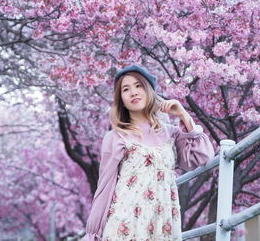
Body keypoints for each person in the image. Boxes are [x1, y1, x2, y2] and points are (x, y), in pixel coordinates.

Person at [83, 65, 215, 241]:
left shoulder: (171, 133)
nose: (133, 92)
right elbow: (105, 186)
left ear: (149, 91)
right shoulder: (116, 137)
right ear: (121, 99)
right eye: (126, 89)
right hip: (125, 223)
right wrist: (93, 233)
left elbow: (202, 156)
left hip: (163, 223)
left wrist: (184, 115)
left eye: (138, 86)